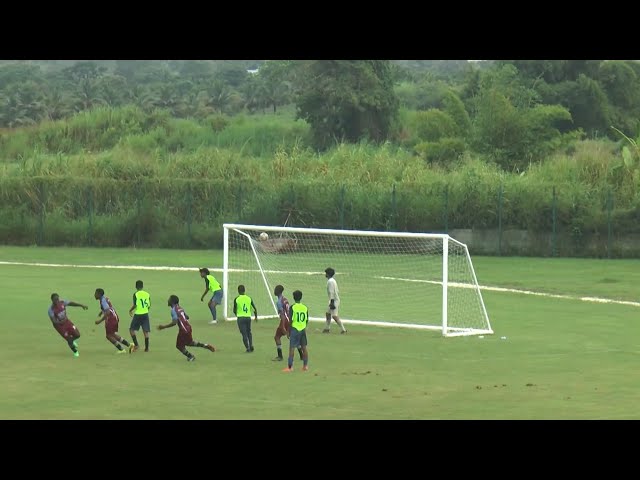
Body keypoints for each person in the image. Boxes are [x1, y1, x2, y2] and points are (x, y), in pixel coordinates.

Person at [157, 295, 216, 362]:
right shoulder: (180, 308)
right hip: (188, 328)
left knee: (179, 346)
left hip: (183, 330)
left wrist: (163, 327)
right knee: (189, 343)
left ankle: (191, 356)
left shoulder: (173, 310)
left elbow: (174, 322)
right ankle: (205, 345)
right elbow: (187, 317)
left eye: (169, 299)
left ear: (172, 302)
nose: (168, 300)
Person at [48, 293, 87, 357]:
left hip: (67, 322)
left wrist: (81, 305)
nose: (57, 301)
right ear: (52, 300)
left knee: (77, 335)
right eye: (55, 300)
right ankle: (75, 352)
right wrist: (62, 321)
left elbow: (71, 303)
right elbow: (54, 321)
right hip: (60, 326)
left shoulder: (62, 303)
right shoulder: (51, 310)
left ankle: (71, 340)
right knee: (68, 339)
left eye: (57, 299)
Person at [94, 288, 131, 354]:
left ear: (99, 294)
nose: (94, 295)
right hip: (114, 317)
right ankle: (130, 345)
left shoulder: (103, 301)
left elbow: (108, 312)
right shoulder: (104, 298)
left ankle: (121, 349)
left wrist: (100, 321)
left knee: (108, 336)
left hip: (111, 319)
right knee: (112, 334)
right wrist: (101, 312)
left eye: (95, 293)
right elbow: (109, 307)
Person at [272, 284, 303, 362]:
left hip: (284, 320)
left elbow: (282, 315)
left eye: (275, 290)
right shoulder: (285, 299)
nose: (274, 291)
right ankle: (302, 355)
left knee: (277, 337)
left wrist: (282, 326)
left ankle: (280, 356)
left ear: (277, 291)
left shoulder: (279, 302)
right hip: (290, 319)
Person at [283, 289, 309, 372]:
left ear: (294, 297)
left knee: (292, 348)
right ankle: (305, 366)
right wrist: (303, 326)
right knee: (304, 348)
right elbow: (306, 319)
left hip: (295, 329)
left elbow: (291, 320)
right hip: (302, 329)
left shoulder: (292, 307)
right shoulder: (305, 307)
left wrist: (288, 331)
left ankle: (290, 367)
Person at [128, 279, 151, 352]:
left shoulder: (136, 294)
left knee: (131, 330)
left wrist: (130, 310)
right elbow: (149, 305)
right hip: (145, 314)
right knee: (145, 331)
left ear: (136, 286)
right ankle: (146, 348)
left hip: (138, 314)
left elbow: (135, 305)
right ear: (142, 286)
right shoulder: (147, 294)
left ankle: (136, 345)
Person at [233, 284, 257, 352]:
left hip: (241, 318)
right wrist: (256, 317)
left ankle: (248, 348)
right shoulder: (249, 298)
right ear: (244, 290)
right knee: (249, 332)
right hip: (248, 317)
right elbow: (254, 309)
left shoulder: (237, 299)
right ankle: (251, 344)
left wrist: (237, 315)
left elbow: (234, 310)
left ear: (238, 291)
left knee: (244, 333)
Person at [323, 267, 347, 334]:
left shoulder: (330, 281)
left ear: (328, 274)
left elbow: (331, 292)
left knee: (334, 315)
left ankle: (343, 329)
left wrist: (332, 302)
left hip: (334, 300)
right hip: (333, 300)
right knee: (328, 314)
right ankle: (327, 328)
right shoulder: (333, 280)